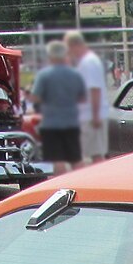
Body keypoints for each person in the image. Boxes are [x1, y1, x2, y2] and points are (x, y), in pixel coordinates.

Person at [31, 41, 87, 170]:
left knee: (57, 159)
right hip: (72, 122)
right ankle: (79, 183)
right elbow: (83, 98)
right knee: (76, 158)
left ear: (50, 56)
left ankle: (61, 185)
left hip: (51, 123)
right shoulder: (75, 74)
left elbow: (36, 97)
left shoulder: (44, 75)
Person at [66, 31, 109, 165]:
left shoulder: (88, 62)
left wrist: (95, 116)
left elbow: (94, 90)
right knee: (93, 153)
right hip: (89, 115)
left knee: (95, 155)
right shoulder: (87, 62)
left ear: (75, 45)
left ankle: (99, 181)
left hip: (91, 116)